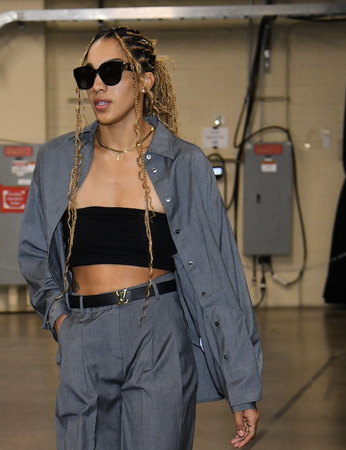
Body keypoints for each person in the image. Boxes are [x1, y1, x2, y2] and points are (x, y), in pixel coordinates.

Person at [18, 27, 262, 450]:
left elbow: (221, 280)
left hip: (159, 334)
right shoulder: (59, 160)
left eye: (111, 71)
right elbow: (35, 254)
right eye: (87, 74)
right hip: (83, 331)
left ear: (144, 80)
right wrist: (62, 321)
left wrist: (243, 385)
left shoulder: (183, 164)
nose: (97, 85)